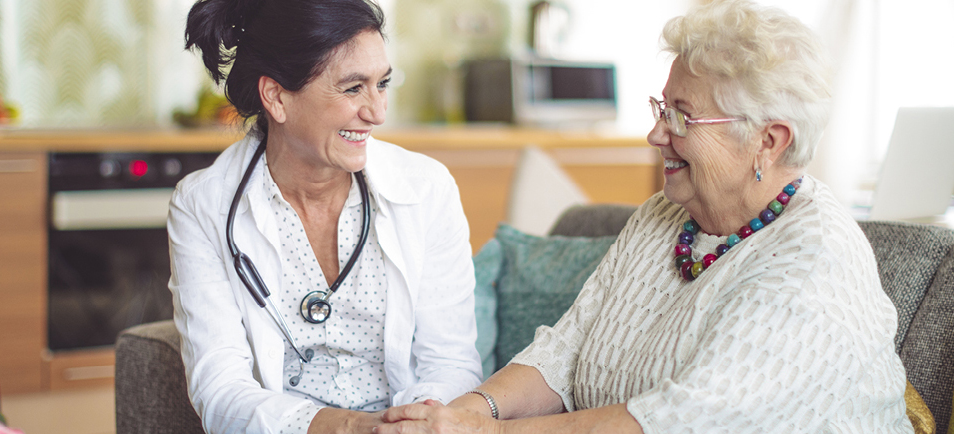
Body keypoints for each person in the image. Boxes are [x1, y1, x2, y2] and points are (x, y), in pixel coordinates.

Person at [377, 1, 913, 433]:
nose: (657, 134)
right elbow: (566, 350)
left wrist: (486, 433)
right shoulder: (666, 214)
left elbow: (682, 421)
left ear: (768, 142)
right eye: (662, 108)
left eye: (683, 116)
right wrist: (470, 410)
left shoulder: (813, 261)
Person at [168, 0, 482, 433]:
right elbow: (220, 391)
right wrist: (351, 428)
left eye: (382, 84)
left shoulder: (428, 189)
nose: (377, 112)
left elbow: (452, 363)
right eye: (353, 88)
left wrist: (407, 425)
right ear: (276, 97)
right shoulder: (202, 206)